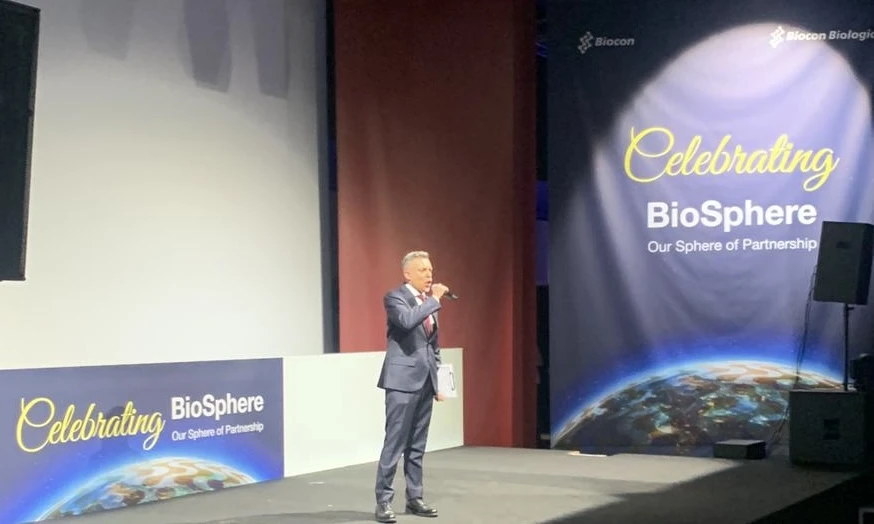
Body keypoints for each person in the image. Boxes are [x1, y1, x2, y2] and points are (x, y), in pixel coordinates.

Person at [374, 250, 449, 523]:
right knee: (395, 442)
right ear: (407, 274)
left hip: (425, 382)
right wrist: (435, 300)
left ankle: (415, 497)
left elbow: (433, 346)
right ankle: (384, 501)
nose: (429, 275)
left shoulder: (428, 303)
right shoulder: (395, 298)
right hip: (401, 382)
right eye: (422, 270)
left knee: (417, 445)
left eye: (430, 270)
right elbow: (406, 321)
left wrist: (440, 383)